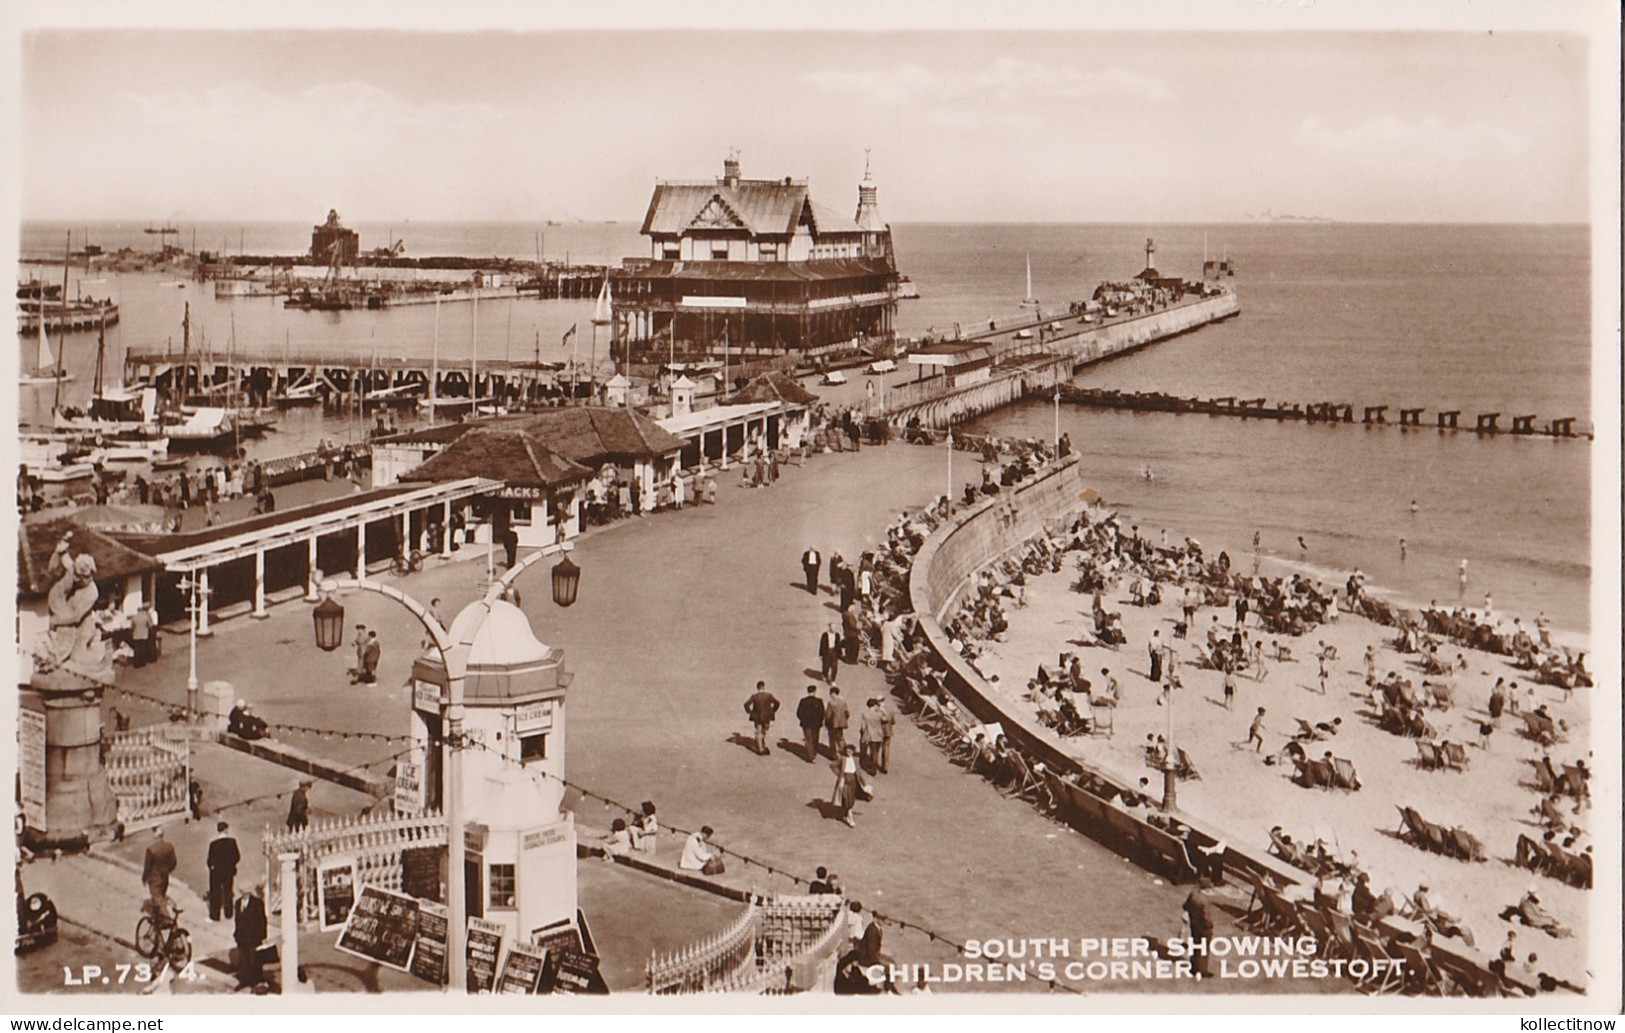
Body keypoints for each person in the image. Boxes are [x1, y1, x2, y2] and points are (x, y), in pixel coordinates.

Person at [234, 885, 268, 990]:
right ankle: (245, 980)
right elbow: (237, 920)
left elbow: (262, 921)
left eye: (245, 892)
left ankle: (256, 982)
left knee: (255, 960)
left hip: (253, 938)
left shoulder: (257, 903)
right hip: (242, 937)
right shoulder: (238, 903)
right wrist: (236, 934)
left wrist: (262, 937)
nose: (244, 894)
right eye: (242, 892)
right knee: (244, 961)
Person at [206, 821, 240, 922]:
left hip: (216, 872)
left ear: (218, 830)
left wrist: (213, 867)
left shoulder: (213, 844)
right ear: (226, 830)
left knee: (215, 893)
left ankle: (215, 915)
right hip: (228, 871)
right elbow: (237, 857)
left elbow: (209, 860)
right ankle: (228, 913)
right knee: (228, 890)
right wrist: (231, 864)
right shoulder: (232, 842)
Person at [1183, 879, 1216, 977]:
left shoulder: (1193, 895)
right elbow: (1206, 917)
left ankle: (1194, 967)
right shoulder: (1205, 901)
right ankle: (1202, 970)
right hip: (1203, 928)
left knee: (1195, 945)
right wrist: (1210, 925)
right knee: (1204, 949)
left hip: (1194, 924)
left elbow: (1185, 906)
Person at [142, 826, 178, 904]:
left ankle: (162, 914)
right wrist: (167, 870)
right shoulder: (169, 846)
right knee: (162, 896)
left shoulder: (151, 849)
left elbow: (147, 867)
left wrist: (144, 878)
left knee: (158, 900)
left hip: (154, 879)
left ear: (155, 836)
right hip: (165, 878)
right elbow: (174, 863)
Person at [743, 680, 780, 756]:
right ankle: (761, 746)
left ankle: (760, 748)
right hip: (767, 717)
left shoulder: (754, 696)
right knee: (764, 730)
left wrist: (750, 712)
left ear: (757, 688)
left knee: (759, 730)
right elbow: (777, 703)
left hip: (757, 716)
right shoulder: (768, 695)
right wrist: (772, 711)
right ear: (763, 687)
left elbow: (746, 704)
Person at [832, 745, 862, 828]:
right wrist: (840, 775)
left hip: (853, 780)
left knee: (851, 798)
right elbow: (832, 765)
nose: (849, 753)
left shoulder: (855, 760)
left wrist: (864, 783)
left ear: (853, 752)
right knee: (846, 797)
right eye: (847, 751)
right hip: (845, 780)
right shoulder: (842, 759)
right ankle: (850, 817)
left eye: (851, 751)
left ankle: (846, 814)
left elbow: (858, 772)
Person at [796, 685, 826, 763]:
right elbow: (822, 713)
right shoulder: (819, 701)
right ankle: (814, 753)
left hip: (806, 724)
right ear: (815, 691)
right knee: (815, 739)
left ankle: (811, 756)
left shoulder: (803, 701)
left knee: (808, 739)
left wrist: (803, 720)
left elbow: (799, 712)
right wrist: (820, 720)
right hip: (816, 724)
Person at [858, 698, 885, 774]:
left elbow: (863, 727)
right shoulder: (879, 714)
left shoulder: (865, 714)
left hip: (870, 735)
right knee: (876, 752)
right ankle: (874, 766)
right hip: (879, 735)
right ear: (874, 705)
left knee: (871, 751)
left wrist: (862, 734)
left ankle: (870, 767)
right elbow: (885, 719)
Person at [824, 686, 851, 758]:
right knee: (840, 738)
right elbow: (847, 713)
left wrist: (826, 723)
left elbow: (828, 714)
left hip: (833, 723)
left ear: (833, 693)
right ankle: (844, 751)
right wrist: (844, 720)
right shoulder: (843, 702)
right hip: (841, 723)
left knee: (832, 739)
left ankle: (833, 754)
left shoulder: (831, 702)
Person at [876, 695, 897, 775]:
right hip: (888, 732)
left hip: (878, 732)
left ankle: (874, 764)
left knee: (876, 748)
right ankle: (885, 767)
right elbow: (894, 721)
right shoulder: (890, 710)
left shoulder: (876, 710)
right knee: (886, 749)